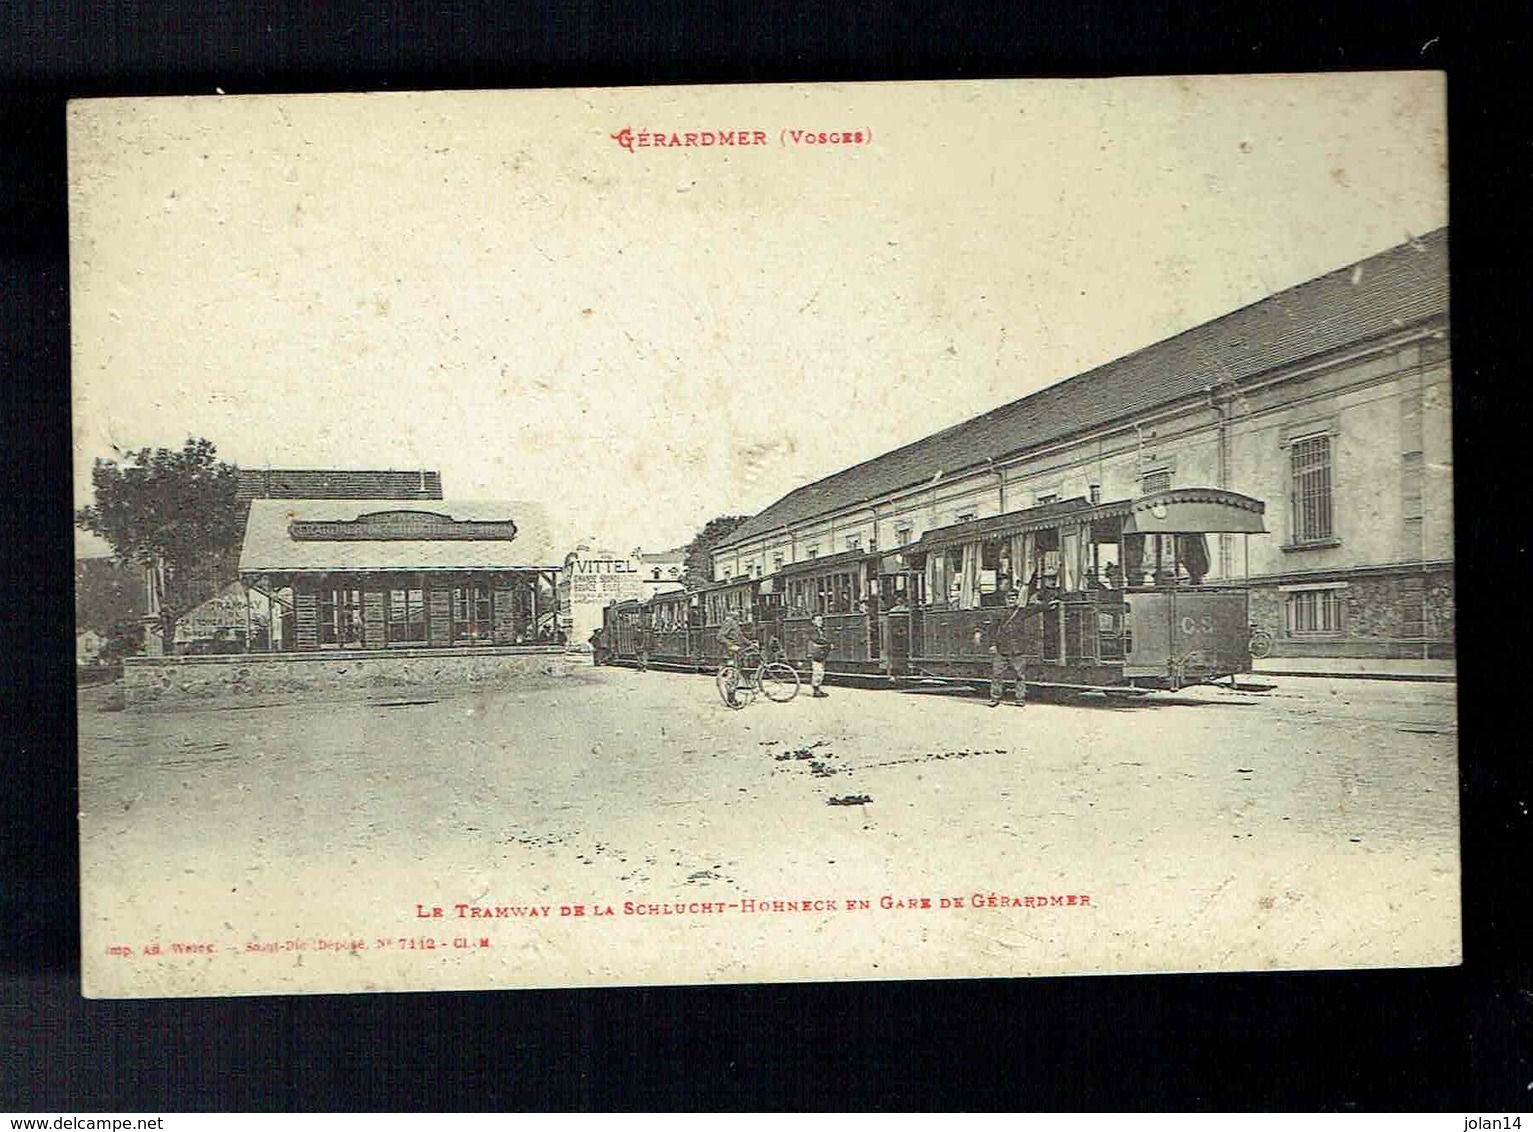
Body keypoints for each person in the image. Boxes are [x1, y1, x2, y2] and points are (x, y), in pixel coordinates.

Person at [988, 586, 1048, 708]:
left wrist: (1049, 603)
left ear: (1017, 600)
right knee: (996, 675)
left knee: (1020, 676)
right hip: (1001, 649)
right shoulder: (999, 613)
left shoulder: (1021, 612)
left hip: (1017, 650)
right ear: (1005, 600)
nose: (1011, 601)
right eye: (1009, 598)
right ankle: (994, 698)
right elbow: (992, 630)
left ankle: (1020, 698)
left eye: (1013, 598)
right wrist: (993, 645)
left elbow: (1038, 609)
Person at [807, 614, 831, 698]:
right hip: (815, 653)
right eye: (818, 620)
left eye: (821, 620)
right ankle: (816, 690)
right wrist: (827, 643)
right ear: (813, 621)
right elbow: (817, 639)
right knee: (817, 671)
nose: (821, 622)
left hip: (819, 653)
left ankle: (818, 689)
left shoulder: (818, 629)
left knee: (820, 671)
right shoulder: (813, 630)